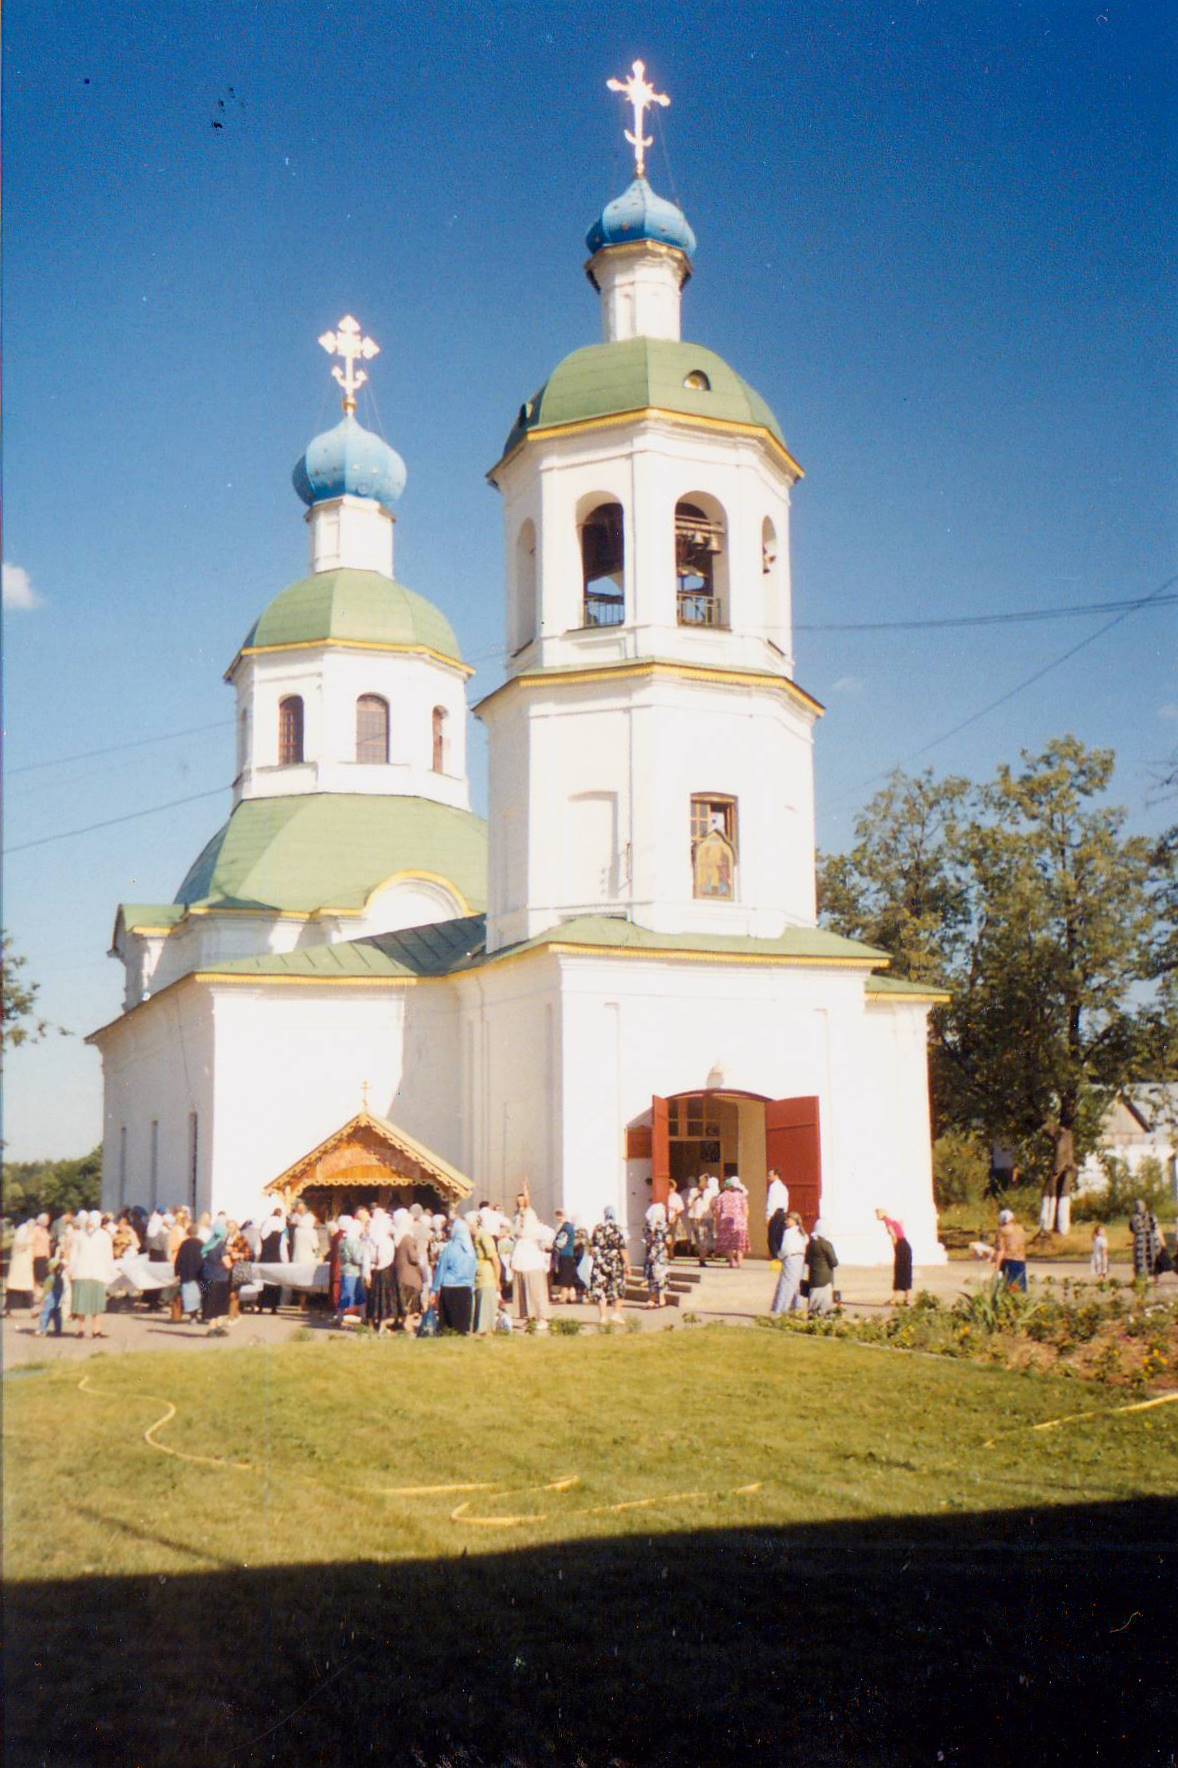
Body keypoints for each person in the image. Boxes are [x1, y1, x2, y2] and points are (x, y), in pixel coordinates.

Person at [68, 1210, 117, 1338]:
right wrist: (71, 1270)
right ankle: (85, 1330)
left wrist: (109, 1272)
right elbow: (74, 1254)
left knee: (91, 1303)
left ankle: (91, 1330)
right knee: (86, 1303)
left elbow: (108, 1255)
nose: (90, 1223)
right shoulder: (82, 1235)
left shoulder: (101, 1236)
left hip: (92, 1273)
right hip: (87, 1272)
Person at [510, 1186, 552, 1328]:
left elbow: (527, 1205)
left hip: (531, 1255)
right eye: (518, 1201)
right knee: (522, 1287)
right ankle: (530, 1317)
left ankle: (542, 1317)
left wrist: (526, 1190)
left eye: (522, 1201)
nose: (520, 1203)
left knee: (535, 1287)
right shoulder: (516, 1217)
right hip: (520, 1253)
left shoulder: (530, 1213)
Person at [431, 1216, 477, 1334]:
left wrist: (435, 1289)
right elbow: (473, 1270)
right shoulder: (471, 1251)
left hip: (449, 1287)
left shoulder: (450, 1248)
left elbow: (441, 1269)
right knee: (462, 1325)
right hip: (465, 1288)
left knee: (447, 1326)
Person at [589, 1206, 628, 1325]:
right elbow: (622, 1248)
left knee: (600, 1288)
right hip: (615, 1262)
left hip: (600, 1262)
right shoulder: (617, 1229)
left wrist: (598, 1258)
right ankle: (616, 1313)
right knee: (618, 1286)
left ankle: (603, 1317)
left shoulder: (597, 1228)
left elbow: (591, 1248)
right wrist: (628, 1264)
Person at [469, 1210, 502, 1334]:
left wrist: (497, 1279)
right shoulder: (473, 1237)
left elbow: (495, 1259)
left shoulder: (484, 1236)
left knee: (485, 1306)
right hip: (477, 1276)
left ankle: (486, 1332)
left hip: (487, 1276)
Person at [392, 1209, 425, 1331]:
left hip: (401, 1274)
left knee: (404, 1301)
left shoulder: (398, 1237)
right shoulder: (408, 1238)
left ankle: (403, 1323)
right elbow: (413, 1257)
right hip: (410, 1276)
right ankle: (408, 1325)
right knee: (411, 1302)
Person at [770, 1212, 808, 1316]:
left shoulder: (789, 1232)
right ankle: (796, 1307)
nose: (786, 1221)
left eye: (788, 1219)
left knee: (786, 1283)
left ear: (794, 1221)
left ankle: (781, 1308)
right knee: (796, 1284)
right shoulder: (801, 1233)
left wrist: (779, 1256)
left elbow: (786, 1248)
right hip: (800, 1259)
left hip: (790, 1259)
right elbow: (805, 1241)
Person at [200, 1220, 234, 1333]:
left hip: (206, 1277)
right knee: (218, 1304)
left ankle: (216, 1326)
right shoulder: (220, 1246)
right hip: (219, 1279)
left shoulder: (208, 1245)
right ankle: (213, 1328)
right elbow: (227, 1264)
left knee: (208, 1302)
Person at [876, 1208, 913, 1306]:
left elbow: (893, 1235)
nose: (877, 1215)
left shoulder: (887, 1222)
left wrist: (895, 1247)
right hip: (905, 1245)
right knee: (906, 1271)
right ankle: (907, 1298)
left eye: (878, 1213)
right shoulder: (893, 1221)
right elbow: (901, 1226)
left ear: (883, 1213)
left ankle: (895, 1299)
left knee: (900, 1271)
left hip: (900, 1246)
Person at [804, 1219, 839, 1316]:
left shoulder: (811, 1244)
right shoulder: (825, 1244)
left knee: (813, 1303)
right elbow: (834, 1262)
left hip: (813, 1278)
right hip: (825, 1279)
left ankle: (812, 1316)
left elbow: (806, 1260)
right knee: (824, 1304)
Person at [714, 1175, 749, 1269]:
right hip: (740, 1223)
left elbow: (718, 1212)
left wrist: (717, 1223)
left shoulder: (721, 1197)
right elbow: (746, 1210)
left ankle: (732, 1261)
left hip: (725, 1223)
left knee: (728, 1244)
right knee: (739, 1244)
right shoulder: (741, 1196)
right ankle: (740, 1262)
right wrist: (744, 1220)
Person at [258, 1206, 288, 1313]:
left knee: (263, 1283)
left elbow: (259, 1248)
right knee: (275, 1283)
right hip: (276, 1259)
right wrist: (285, 1262)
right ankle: (273, 1307)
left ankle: (261, 1306)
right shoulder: (280, 1235)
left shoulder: (263, 1233)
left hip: (264, 1258)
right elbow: (283, 1249)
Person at [643, 1201, 672, 1307]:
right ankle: (661, 1298)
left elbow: (646, 1240)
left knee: (652, 1274)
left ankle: (652, 1299)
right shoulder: (664, 1225)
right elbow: (668, 1240)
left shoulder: (648, 1226)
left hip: (652, 1253)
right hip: (661, 1253)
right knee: (661, 1274)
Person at [174, 1224, 204, 1322]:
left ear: (188, 1233)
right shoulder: (201, 1243)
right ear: (197, 1233)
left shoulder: (184, 1244)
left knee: (189, 1296)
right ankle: (200, 1312)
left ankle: (192, 1317)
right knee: (201, 1293)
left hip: (186, 1274)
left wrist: (176, 1272)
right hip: (200, 1274)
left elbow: (179, 1259)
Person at [5, 1220, 36, 1314]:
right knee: (16, 1287)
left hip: (26, 1265)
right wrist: (28, 1243)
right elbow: (20, 1245)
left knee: (27, 1287)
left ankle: (32, 1309)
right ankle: (7, 1309)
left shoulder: (29, 1233)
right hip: (19, 1265)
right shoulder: (23, 1231)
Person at [34, 1248, 67, 1337]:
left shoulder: (49, 1279)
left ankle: (42, 1330)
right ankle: (58, 1330)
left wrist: (42, 1300)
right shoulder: (61, 1279)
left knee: (45, 1314)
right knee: (57, 1316)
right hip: (58, 1300)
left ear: (51, 1269)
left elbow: (46, 1291)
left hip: (49, 1299)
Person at [994, 1209, 1028, 1291]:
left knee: (1008, 1290)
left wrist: (997, 1267)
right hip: (1021, 1262)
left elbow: (1001, 1250)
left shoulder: (1002, 1231)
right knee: (1020, 1290)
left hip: (1008, 1261)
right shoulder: (1021, 1229)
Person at [551, 1210, 579, 1302]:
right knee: (569, 1277)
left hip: (564, 1254)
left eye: (560, 1215)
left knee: (564, 1277)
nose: (558, 1217)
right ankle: (572, 1296)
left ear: (565, 1216)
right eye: (557, 1215)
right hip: (570, 1254)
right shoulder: (570, 1227)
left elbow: (560, 1242)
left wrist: (552, 1246)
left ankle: (564, 1297)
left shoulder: (565, 1227)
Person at [766, 1171, 790, 1260]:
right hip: (783, 1213)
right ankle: (781, 1256)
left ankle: (775, 1258)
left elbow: (772, 1202)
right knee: (780, 1236)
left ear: (776, 1175)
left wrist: (769, 1215)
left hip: (775, 1214)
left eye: (770, 1175)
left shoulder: (773, 1187)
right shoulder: (783, 1187)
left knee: (772, 1238)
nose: (768, 1177)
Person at [1129, 1200, 1154, 1281]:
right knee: (1139, 1258)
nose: (1140, 1207)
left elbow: (1153, 1227)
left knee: (1149, 1258)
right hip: (1139, 1240)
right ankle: (1139, 1277)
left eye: (1141, 1205)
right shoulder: (1134, 1217)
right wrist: (1145, 1229)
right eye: (1138, 1206)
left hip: (1149, 1240)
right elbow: (1135, 1229)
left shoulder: (1149, 1216)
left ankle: (1148, 1276)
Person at [666, 1180, 685, 1255]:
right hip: (664, 1218)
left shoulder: (677, 1197)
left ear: (674, 1188)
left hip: (673, 1218)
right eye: (668, 1187)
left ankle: (671, 1251)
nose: (669, 1189)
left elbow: (681, 1209)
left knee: (672, 1235)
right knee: (665, 1235)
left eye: (671, 1187)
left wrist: (675, 1217)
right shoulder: (664, 1195)